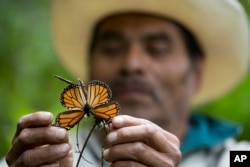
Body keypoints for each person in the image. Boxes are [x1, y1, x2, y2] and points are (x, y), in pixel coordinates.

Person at [2, 0, 250, 166]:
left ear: (196, 74)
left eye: (157, 49)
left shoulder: (238, 157)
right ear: (88, 71)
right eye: (111, 49)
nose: (132, 64)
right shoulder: (37, 157)